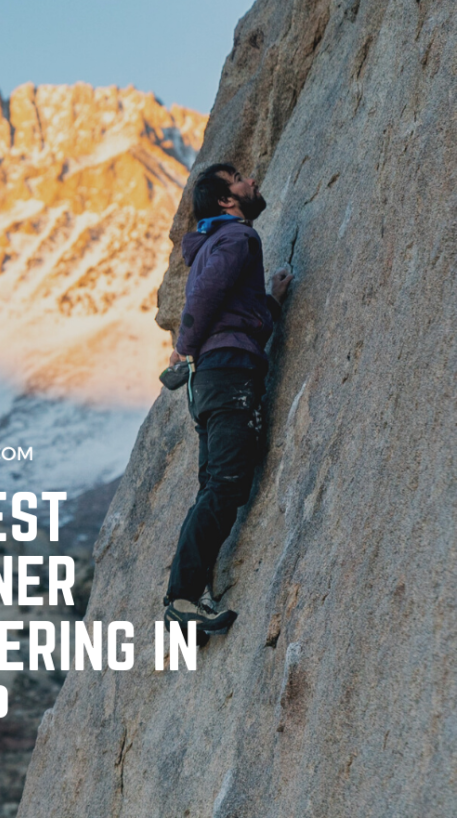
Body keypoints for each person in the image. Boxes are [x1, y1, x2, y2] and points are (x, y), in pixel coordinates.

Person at [163, 162, 293, 636]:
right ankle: (181, 598)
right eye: (239, 178)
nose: (253, 179)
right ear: (226, 201)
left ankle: (190, 599)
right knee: (227, 486)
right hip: (227, 374)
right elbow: (206, 298)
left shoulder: (213, 244)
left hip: (211, 381)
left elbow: (234, 311)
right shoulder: (238, 239)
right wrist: (185, 344)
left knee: (214, 486)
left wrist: (271, 301)